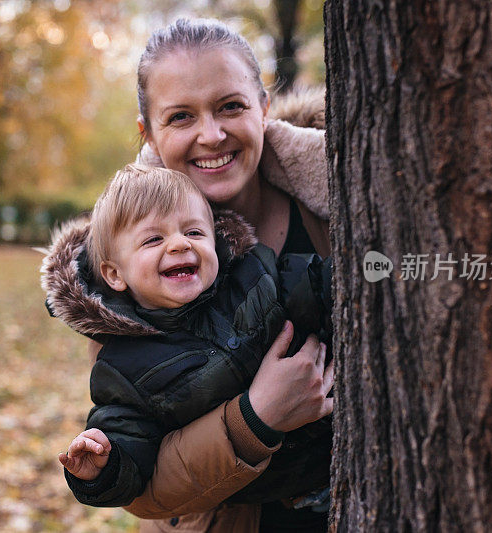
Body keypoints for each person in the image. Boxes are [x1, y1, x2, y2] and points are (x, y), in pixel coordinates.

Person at [65, 17, 332, 532]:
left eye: (230, 106)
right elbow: (146, 488)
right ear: (149, 134)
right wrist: (257, 417)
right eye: (181, 117)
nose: (211, 136)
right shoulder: (131, 274)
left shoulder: (338, 203)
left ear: (264, 108)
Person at [40, 163, 333, 511]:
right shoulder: (124, 367)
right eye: (153, 239)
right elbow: (130, 442)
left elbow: (313, 284)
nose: (179, 244)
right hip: (265, 495)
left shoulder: (253, 277)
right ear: (115, 274)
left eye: (194, 233)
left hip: (336, 442)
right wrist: (103, 468)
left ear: (216, 238)